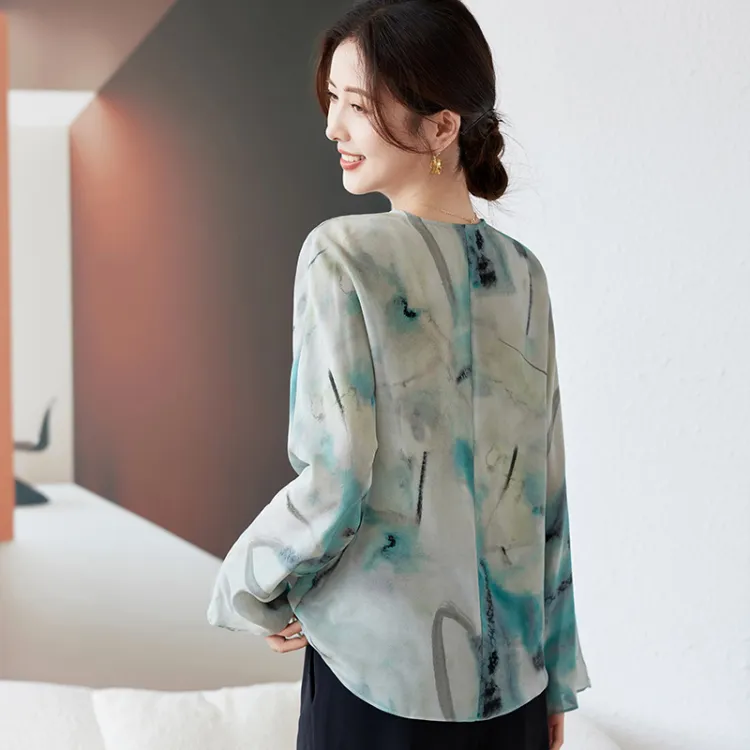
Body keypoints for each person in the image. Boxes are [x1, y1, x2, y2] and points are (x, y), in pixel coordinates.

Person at [207, 1, 591, 748]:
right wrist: (558, 676)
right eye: (333, 101)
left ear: (442, 127)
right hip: (515, 685)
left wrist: (250, 587)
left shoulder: (341, 254)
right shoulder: (525, 274)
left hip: (376, 679)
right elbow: (546, 493)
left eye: (357, 106)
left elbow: (335, 478)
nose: (332, 127)